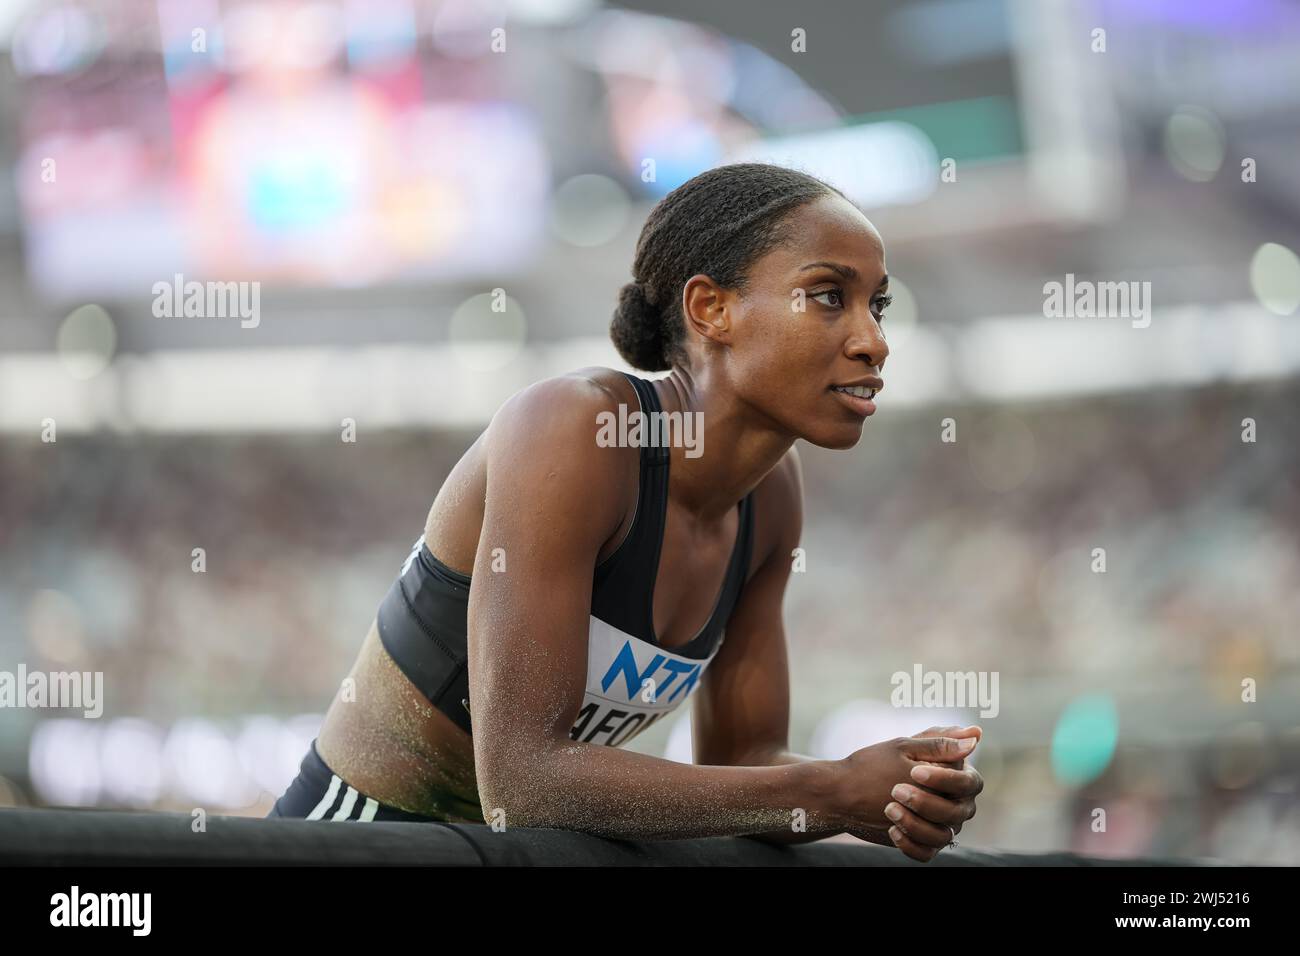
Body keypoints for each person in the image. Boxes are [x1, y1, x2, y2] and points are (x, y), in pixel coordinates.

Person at [269, 162, 983, 860]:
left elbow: (743, 757)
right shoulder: (573, 429)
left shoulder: (772, 499)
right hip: (358, 836)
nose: (874, 340)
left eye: (877, 305)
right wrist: (829, 791)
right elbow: (521, 782)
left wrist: (893, 790)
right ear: (712, 309)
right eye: (828, 296)